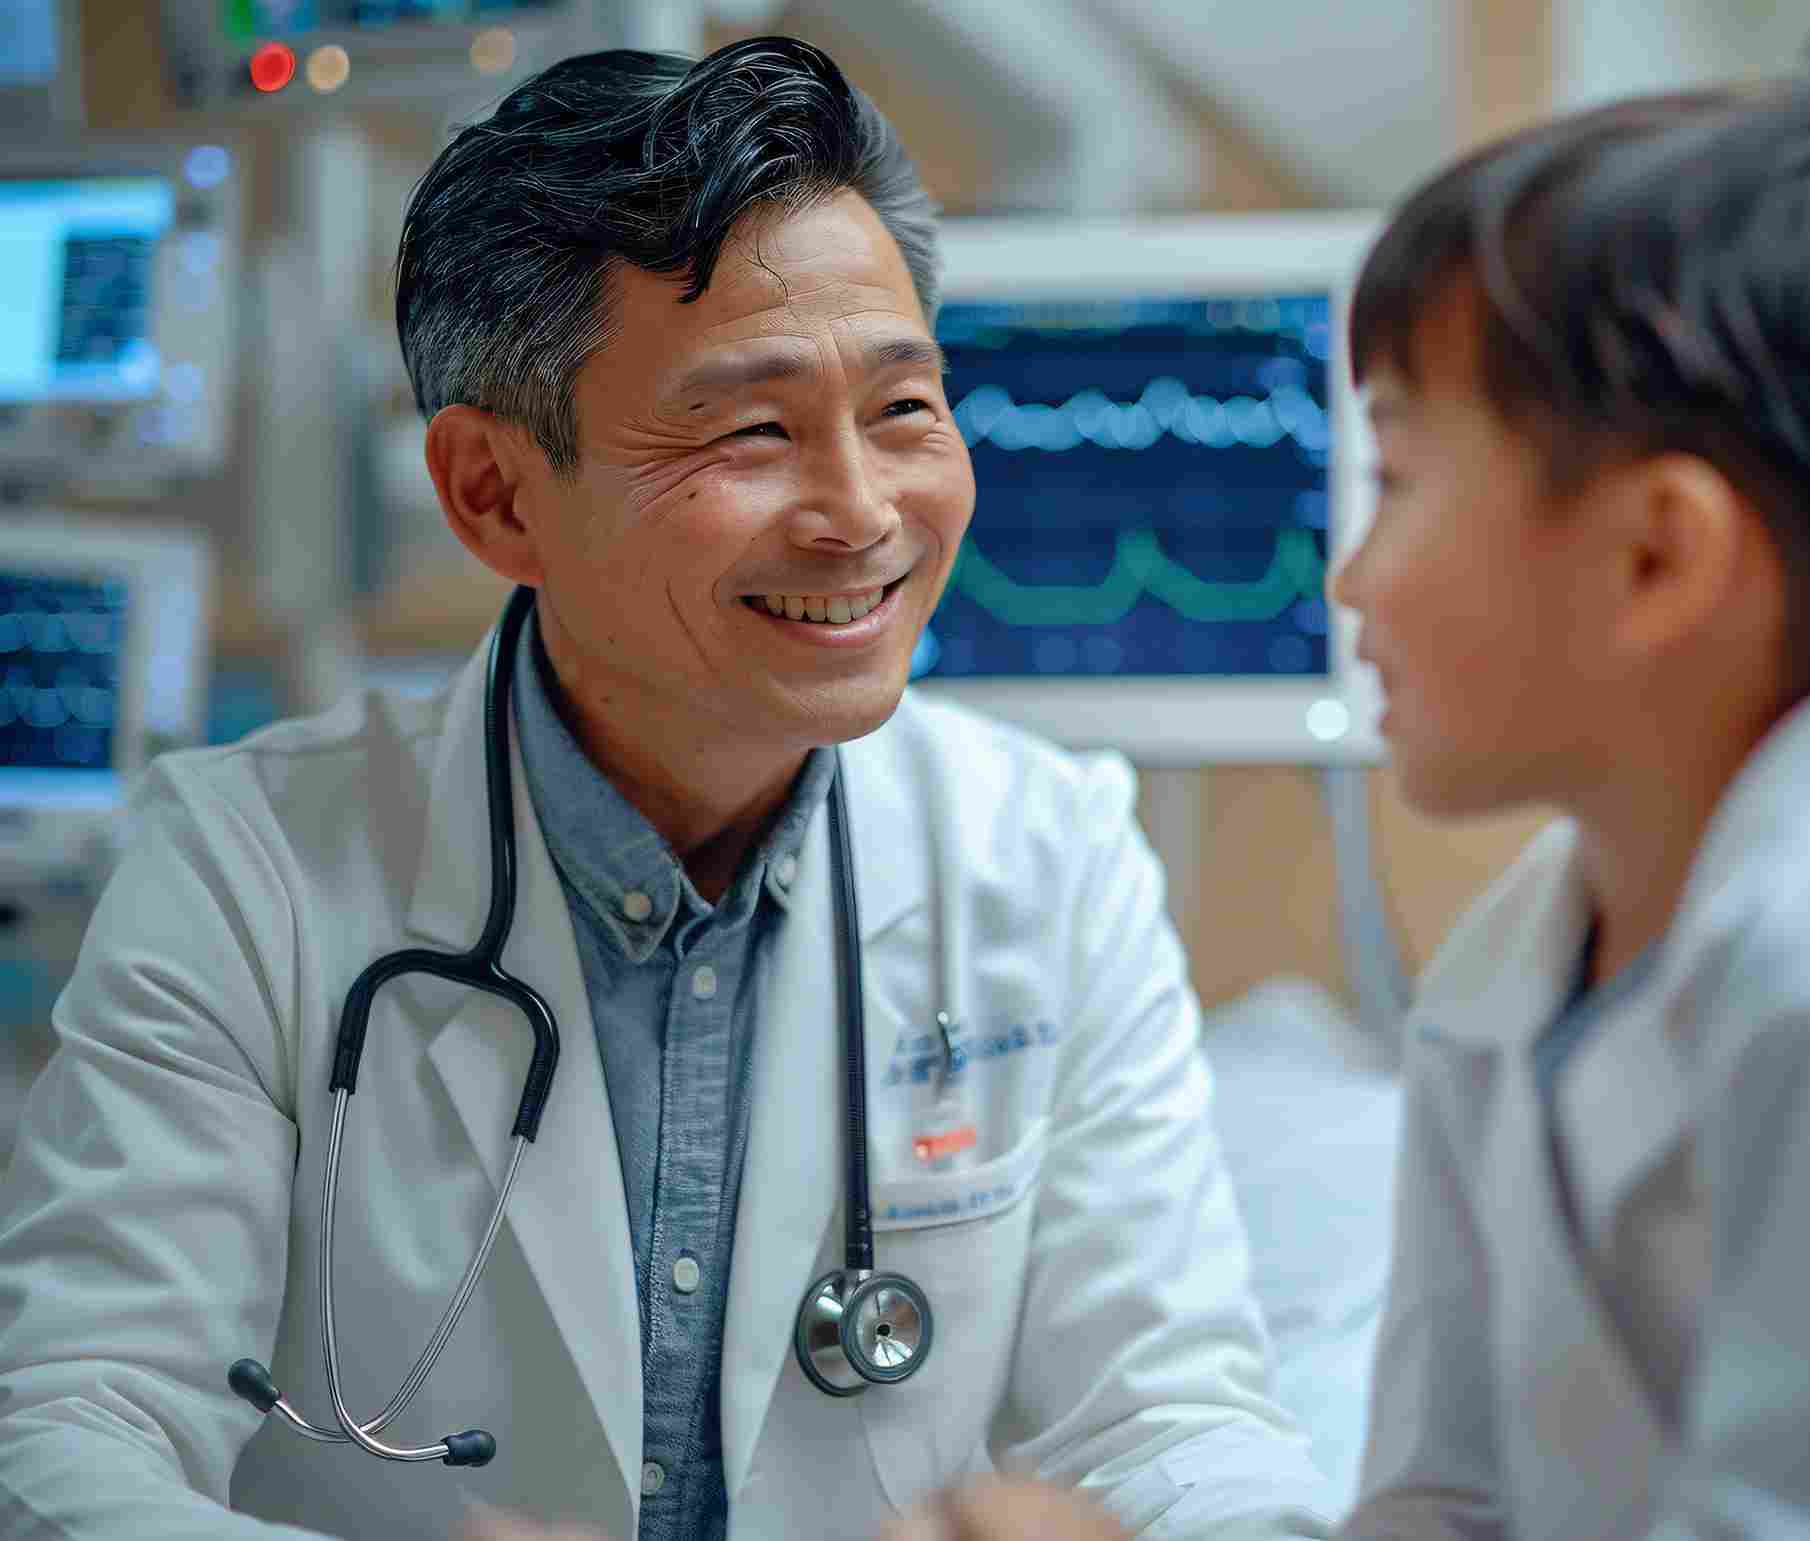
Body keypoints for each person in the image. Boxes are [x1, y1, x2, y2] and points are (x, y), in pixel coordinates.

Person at [892, 83, 1810, 1540]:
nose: (1349, 579)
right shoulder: (1508, 979)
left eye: (1396, 480)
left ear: (1656, 559)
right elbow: (1443, 1511)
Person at [0, 38, 1330, 1541]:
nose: (861, 512)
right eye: (752, 430)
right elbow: (65, 1438)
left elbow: (1181, 1422)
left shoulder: (1050, 856)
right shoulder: (247, 866)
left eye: (904, 408)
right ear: (495, 495)